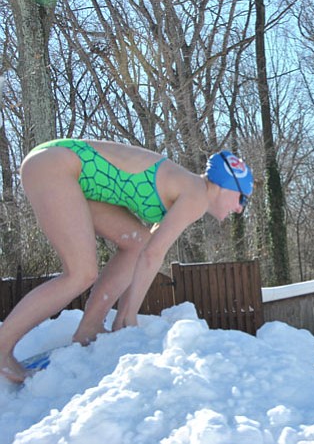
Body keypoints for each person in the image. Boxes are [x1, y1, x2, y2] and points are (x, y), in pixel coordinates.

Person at [0, 138, 253, 383]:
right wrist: (129, 315)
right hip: (55, 165)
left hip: (65, 170)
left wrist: (125, 315)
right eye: (242, 197)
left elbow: (147, 251)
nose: (241, 208)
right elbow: (154, 256)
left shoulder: (188, 190)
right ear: (223, 186)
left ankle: (90, 327)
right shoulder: (197, 195)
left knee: (137, 241)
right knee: (80, 274)